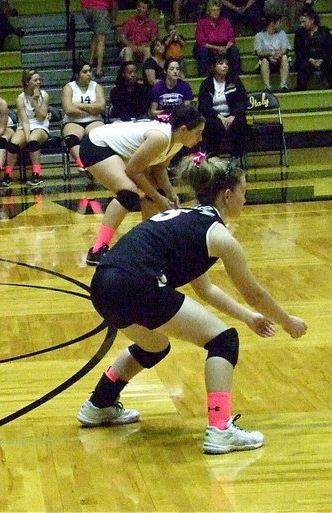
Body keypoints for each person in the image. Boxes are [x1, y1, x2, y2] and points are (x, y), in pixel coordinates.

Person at [76, 153, 307, 454]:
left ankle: (99, 403)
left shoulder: (188, 220)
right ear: (227, 195)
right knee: (224, 341)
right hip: (137, 284)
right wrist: (288, 321)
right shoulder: (219, 236)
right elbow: (256, 293)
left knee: (154, 346)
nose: (246, 200)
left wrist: (249, 317)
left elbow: (206, 290)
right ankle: (220, 428)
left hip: (104, 284)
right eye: (244, 193)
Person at [81, 105, 205, 265]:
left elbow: (159, 167)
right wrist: (159, 198)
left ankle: (147, 243)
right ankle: (97, 250)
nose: (200, 138)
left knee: (156, 191)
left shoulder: (177, 141)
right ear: (183, 129)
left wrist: (169, 192)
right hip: (96, 145)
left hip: (118, 150)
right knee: (129, 193)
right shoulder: (160, 138)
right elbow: (133, 171)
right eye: (198, 133)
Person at [4, 69, 50, 188]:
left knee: (33, 141)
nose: (38, 82)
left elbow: (42, 117)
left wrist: (34, 101)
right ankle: (8, 175)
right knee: (13, 144)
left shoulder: (44, 95)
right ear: (27, 82)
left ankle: (36, 174)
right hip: (25, 126)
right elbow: (24, 121)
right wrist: (27, 135)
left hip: (41, 126)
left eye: (39, 79)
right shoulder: (20, 98)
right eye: (35, 80)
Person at [198, 53, 249, 158]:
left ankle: (236, 158)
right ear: (213, 67)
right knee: (212, 126)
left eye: (226, 64)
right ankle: (213, 158)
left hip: (233, 115)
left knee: (239, 124)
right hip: (215, 117)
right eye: (221, 64)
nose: (225, 66)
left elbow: (243, 101)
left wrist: (233, 115)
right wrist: (219, 116)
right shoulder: (206, 84)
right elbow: (203, 105)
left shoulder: (235, 81)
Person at [61, 61, 105, 172]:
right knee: (71, 139)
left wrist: (79, 105)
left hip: (94, 120)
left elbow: (101, 107)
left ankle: (96, 165)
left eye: (90, 71)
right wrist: (91, 109)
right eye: (85, 72)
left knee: (98, 137)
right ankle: (83, 165)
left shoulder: (97, 87)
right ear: (77, 75)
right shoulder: (69, 87)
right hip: (73, 121)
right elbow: (68, 110)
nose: (89, 74)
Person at [195, 0, 243, 76]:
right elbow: (201, 42)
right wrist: (217, 48)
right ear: (208, 12)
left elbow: (231, 39)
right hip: (208, 48)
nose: (216, 12)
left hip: (224, 48)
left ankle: (238, 75)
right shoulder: (201, 23)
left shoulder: (226, 21)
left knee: (234, 50)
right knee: (203, 51)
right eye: (213, 10)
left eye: (218, 10)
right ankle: (203, 75)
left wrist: (225, 48)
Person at [294, 9, 332, 90]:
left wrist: (321, 60)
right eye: (301, 22)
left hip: (323, 59)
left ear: (312, 20)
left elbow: (330, 49)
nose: (302, 24)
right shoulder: (299, 33)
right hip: (307, 60)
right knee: (303, 68)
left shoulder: (324, 31)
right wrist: (310, 60)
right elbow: (299, 51)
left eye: (304, 22)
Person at [81, 0, 119, 78]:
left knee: (96, 33)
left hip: (86, 7)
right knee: (101, 38)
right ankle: (99, 68)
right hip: (100, 8)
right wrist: (114, 16)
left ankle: (91, 60)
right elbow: (114, 0)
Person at [254, 14, 292, 91]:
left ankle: (283, 85)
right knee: (264, 60)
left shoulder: (282, 34)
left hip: (279, 59)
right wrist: (271, 54)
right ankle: (267, 86)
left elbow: (284, 49)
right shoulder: (259, 35)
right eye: (278, 22)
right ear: (272, 23)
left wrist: (277, 54)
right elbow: (259, 52)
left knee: (284, 57)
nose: (280, 24)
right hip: (267, 61)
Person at [119, 0, 159, 64]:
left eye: (143, 8)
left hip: (144, 46)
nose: (139, 9)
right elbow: (123, 37)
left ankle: (146, 72)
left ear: (148, 11)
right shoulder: (130, 21)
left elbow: (153, 40)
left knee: (148, 50)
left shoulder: (153, 24)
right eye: (139, 7)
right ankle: (128, 72)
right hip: (130, 46)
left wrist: (144, 46)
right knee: (127, 50)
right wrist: (131, 45)